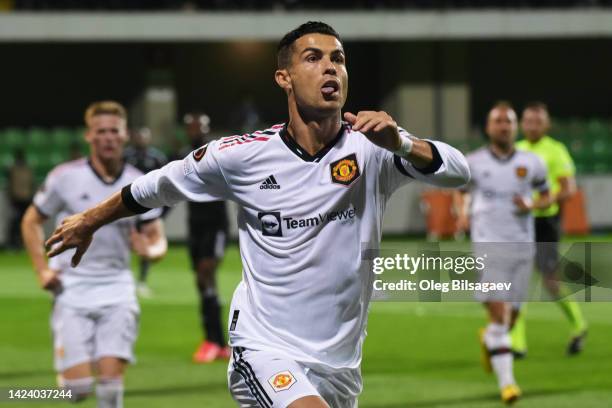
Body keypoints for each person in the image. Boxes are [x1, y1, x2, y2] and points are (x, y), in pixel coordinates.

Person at [44, 22, 470, 408]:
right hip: (266, 348)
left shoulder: (374, 148)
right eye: (313, 58)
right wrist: (90, 219)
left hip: (340, 365)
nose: (330, 68)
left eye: (338, 59)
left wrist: (402, 143)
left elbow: (457, 171)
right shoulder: (241, 156)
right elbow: (156, 186)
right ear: (284, 78)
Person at [21, 101, 167, 407]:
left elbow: (158, 240)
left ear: (125, 134)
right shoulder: (65, 177)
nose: (108, 137)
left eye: (114, 131)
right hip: (71, 289)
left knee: (111, 388)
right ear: (89, 136)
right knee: (78, 390)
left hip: (118, 289)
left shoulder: (139, 182)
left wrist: (150, 251)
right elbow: (30, 220)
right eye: (101, 131)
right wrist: (41, 271)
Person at [454, 101, 551, 404]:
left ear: (515, 127)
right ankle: (508, 385)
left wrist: (533, 205)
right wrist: (463, 213)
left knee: (510, 320)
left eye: (508, 122)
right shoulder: (474, 162)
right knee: (500, 316)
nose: (504, 126)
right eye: (498, 121)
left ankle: (490, 340)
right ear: (488, 127)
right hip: (488, 247)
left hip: (522, 247)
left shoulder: (532, 162)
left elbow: (547, 195)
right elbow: (459, 190)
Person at [513, 102, 588, 356]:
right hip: (518, 223)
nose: (532, 126)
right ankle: (517, 343)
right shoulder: (515, 149)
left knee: (550, 281)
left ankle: (578, 324)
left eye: (537, 121)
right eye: (528, 121)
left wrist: (538, 202)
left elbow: (568, 189)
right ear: (522, 124)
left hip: (545, 223)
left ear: (546, 124)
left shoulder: (555, 151)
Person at [181, 112, 231, 364]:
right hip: (195, 227)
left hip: (215, 227)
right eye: (190, 127)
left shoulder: (217, 153)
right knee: (202, 284)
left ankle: (215, 340)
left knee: (206, 274)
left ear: (206, 128)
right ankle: (217, 342)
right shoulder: (182, 156)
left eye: (198, 126)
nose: (194, 130)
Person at [123, 127, 169, 297]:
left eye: (144, 137)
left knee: (146, 242)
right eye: (139, 136)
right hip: (126, 207)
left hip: (149, 208)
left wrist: (162, 213)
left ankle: (141, 281)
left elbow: (166, 184)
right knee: (125, 241)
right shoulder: (125, 156)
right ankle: (124, 279)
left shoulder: (157, 157)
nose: (141, 139)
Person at [6, 148, 34, 249]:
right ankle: (12, 242)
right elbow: (10, 184)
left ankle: (24, 242)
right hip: (16, 199)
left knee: (26, 222)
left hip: (26, 198)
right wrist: (11, 197)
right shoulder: (13, 169)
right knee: (15, 221)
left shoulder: (27, 169)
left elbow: (31, 184)